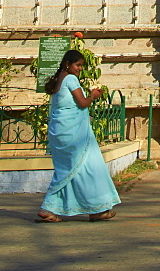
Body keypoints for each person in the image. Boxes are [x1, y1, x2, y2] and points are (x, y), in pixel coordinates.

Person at [36, 50, 121, 223]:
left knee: (71, 170)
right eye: (78, 65)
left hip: (60, 131)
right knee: (88, 167)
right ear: (67, 64)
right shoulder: (70, 79)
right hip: (73, 133)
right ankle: (94, 209)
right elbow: (82, 103)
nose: (80, 69)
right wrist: (93, 95)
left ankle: (88, 209)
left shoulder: (59, 79)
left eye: (81, 66)